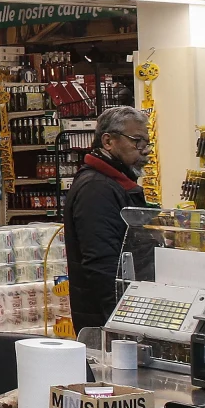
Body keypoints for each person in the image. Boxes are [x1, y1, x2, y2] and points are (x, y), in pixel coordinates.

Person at [64, 106, 155, 332]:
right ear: (108, 141)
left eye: (146, 143)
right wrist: (123, 323)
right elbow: (102, 263)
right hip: (104, 322)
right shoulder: (97, 188)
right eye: (137, 141)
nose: (144, 150)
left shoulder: (114, 183)